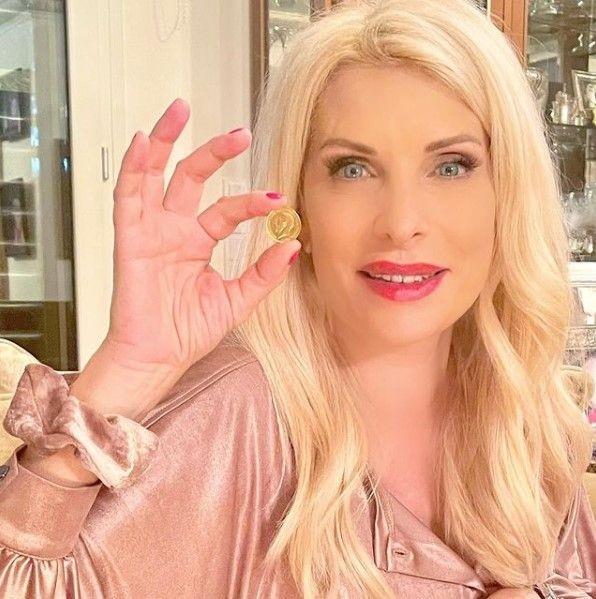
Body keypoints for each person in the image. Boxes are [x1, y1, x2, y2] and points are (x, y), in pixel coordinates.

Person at [0, 0, 594, 597]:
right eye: (353, 169)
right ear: (299, 204)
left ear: (507, 192)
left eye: (451, 166)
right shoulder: (232, 417)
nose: (401, 223)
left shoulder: (526, 412)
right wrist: (127, 371)